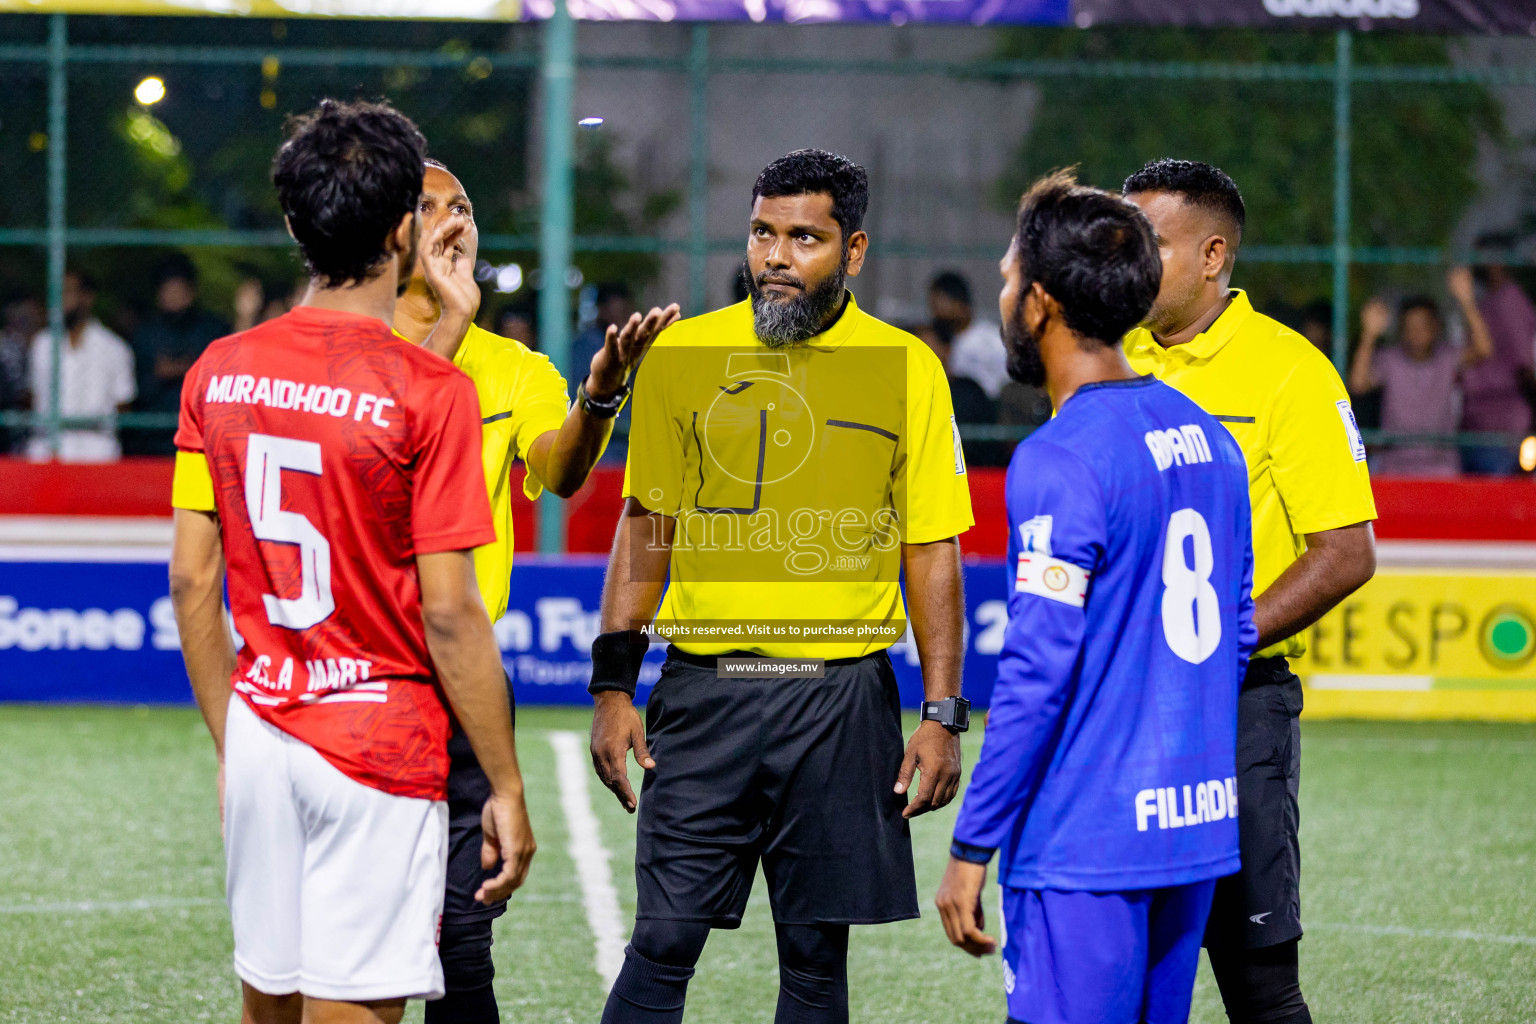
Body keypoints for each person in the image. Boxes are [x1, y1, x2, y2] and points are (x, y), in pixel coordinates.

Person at [166, 99, 535, 1024]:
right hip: (379, 744)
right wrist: (506, 782)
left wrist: (231, 742)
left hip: (264, 728)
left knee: (269, 1008)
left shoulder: (218, 368)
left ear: (296, 223)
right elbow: (449, 614)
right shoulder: (435, 391)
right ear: (407, 226)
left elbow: (190, 579)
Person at [589, 148, 974, 1024]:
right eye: (764, 232)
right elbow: (648, 526)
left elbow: (932, 551)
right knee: (662, 944)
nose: (777, 256)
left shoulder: (907, 366)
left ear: (854, 251)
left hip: (841, 703)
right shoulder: (683, 356)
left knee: (813, 960)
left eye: (805, 238)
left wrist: (943, 713)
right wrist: (614, 686)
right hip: (705, 694)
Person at [935, 170, 1255, 1024]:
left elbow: (1038, 672)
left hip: (1086, 844)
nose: (1003, 294)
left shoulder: (1060, 457)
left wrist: (973, 843)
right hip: (1189, 830)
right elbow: (1238, 629)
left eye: (1008, 279)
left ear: (1039, 303)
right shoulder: (1213, 441)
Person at [392, 156, 678, 1024]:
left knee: (463, 934)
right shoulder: (350, 354)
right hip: (364, 674)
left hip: (465, 678)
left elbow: (559, 472)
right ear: (388, 231)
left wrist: (599, 394)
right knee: (356, 934)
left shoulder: (513, 367)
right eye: (430, 205)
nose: (455, 221)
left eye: (466, 205)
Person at [1122, 158, 1377, 1024]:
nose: (1126, 257)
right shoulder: (1109, 362)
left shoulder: (1290, 371)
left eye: (1149, 241)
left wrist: (1217, 640)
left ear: (1212, 255)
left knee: (1257, 982)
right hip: (1122, 711)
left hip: (1235, 708)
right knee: (1123, 976)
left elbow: (1346, 552)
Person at [1349, 273, 1493, 476]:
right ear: (1401, 330)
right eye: (1410, 327)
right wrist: (1369, 334)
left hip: (1442, 467)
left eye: (1422, 326)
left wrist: (1467, 301)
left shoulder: (1447, 357)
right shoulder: (1390, 359)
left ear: (1435, 328)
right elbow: (1358, 383)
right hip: (1394, 466)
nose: (1416, 333)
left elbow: (1484, 349)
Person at [27, 270, 136, 462]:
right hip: (47, 454)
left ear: (87, 297)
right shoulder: (41, 345)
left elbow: (124, 404)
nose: (60, 300)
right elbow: (34, 397)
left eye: (68, 292)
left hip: (97, 455)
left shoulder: (114, 348)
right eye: (57, 292)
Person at [130, 253, 230, 454]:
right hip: (154, 443)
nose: (174, 295)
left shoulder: (214, 329)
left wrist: (177, 369)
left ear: (192, 290)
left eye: (179, 289)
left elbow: (222, 382)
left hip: (203, 440)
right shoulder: (145, 334)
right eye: (168, 289)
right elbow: (138, 390)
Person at [1464, 241, 1536, 474]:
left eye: (1490, 257)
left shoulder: (1510, 300)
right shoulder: (1489, 300)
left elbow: (1524, 366)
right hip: (1479, 421)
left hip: (1504, 425)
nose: (1483, 264)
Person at [930, 270, 1009, 399]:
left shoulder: (991, 339)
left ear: (959, 303)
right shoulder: (940, 341)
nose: (935, 312)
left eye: (939, 303)